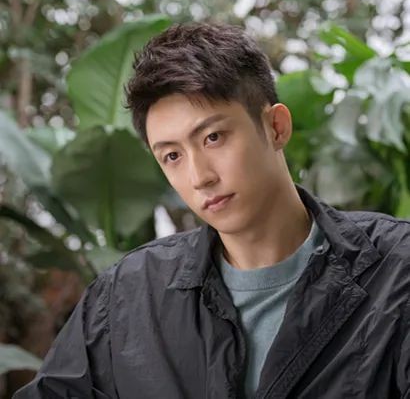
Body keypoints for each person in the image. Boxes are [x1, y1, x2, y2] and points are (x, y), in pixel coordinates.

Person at [14, 22, 410, 399]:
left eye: (213, 137)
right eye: (172, 156)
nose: (199, 177)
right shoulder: (124, 298)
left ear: (276, 127)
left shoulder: (397, 273)